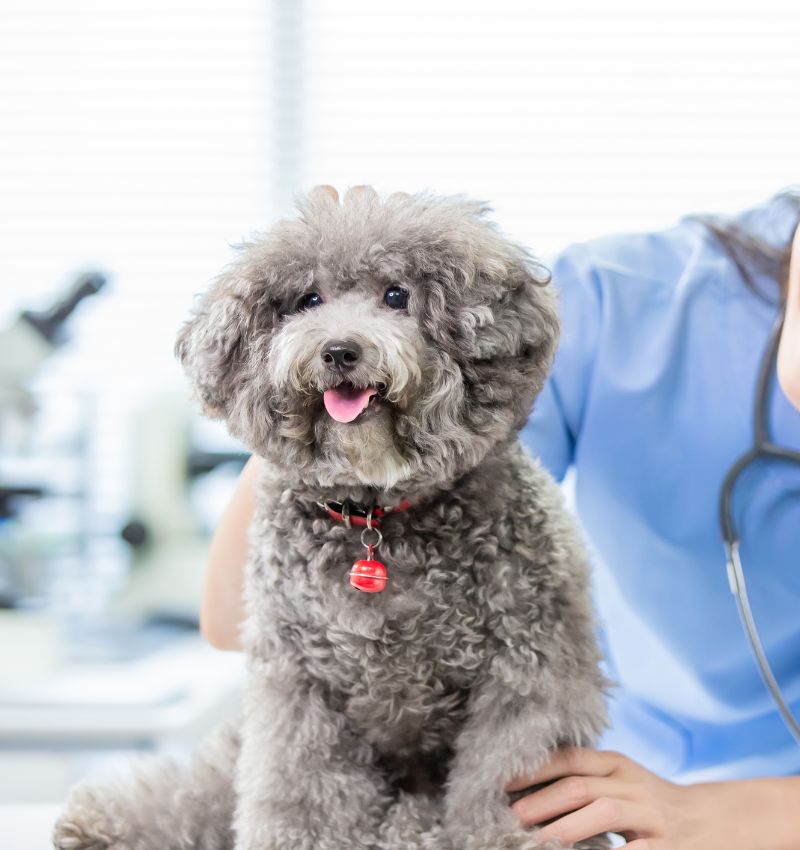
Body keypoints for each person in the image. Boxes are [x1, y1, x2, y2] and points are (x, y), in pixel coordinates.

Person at [199, 191, 800, 849]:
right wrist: (321, 419)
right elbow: (233, 621)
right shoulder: (620, 304)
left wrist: (746, 813)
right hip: (605, 795)